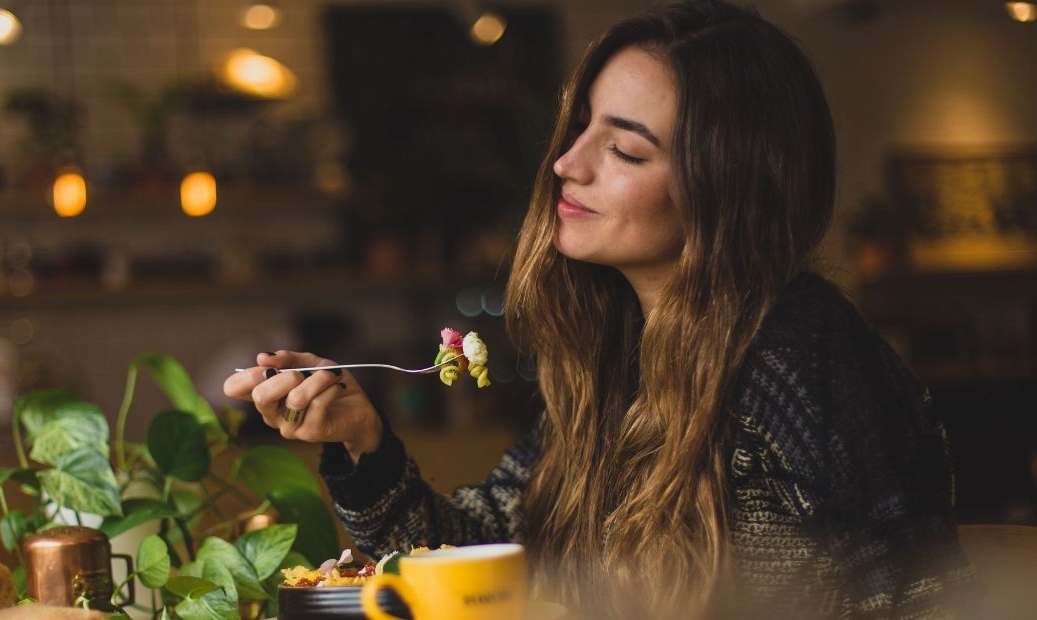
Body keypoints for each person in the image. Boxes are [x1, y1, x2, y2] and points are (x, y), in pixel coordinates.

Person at [223, 0, 979, 617]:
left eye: (625, 150)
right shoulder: (627, 355)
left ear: (727, 192)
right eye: (583, 123)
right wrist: (362, 438)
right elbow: (486, 548)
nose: (566, 161)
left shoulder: (789, 373)